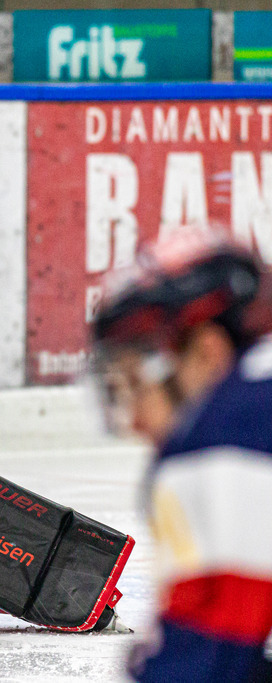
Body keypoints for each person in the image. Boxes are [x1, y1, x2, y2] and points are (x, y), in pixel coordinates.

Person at [92, 233, 272, 681]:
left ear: (209, 353)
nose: (135, 421)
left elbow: (207, 661)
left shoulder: (222, 441)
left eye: (138, 383)